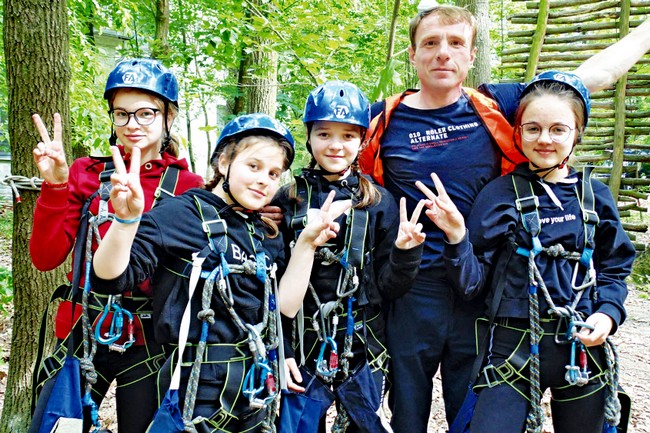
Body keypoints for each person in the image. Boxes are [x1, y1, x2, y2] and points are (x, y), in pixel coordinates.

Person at [357, 3, 650, 431]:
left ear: (471, 55)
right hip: (412, 289)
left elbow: (592, 78)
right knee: (407, 413)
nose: (443, 53)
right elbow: (332, 157)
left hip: (481, 289)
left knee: (470, 411)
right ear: (413, 53)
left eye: (456, 43)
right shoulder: (380, 118)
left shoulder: (496, 104)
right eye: (431, 43)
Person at [90, 113, 347, 433]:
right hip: (194, 392)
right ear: (224, 162)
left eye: (273, 173)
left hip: (253, 392)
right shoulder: (182, 214)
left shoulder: (264, 232)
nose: (264, 180)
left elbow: (284, 307)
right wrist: (125, 222)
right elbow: (111, 278)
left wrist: (307, 244)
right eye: (253, 166)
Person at [416, 71, 635, 433]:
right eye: (533, 129)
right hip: (512, 348)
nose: (544, 139)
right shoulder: (499, 194)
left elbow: (614, 265)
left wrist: (608, 313)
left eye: (558, 130)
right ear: (517, 133)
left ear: (577, 133)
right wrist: (456, 236)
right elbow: (472, 285)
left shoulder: (594, 196)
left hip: (581, 344)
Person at [29, 58, 204, 433]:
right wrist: (56, 186)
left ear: (168, 116)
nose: (132, 124)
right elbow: (45, 258)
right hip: (81, 331)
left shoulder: (188, 186)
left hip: (149, 342)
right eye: (122, 114)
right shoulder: (86, 173)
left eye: (145, 113)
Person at [274, 81, 426, 432]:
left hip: (363, 347)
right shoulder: (287, 200)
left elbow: (389, 287)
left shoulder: (378, 203)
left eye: (347, 136)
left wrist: (405, 254)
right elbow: (273, 282)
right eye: (324, 134)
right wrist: (283, 350)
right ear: (309, 137)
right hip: (301, 344)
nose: (335, 145)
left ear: (361, 141)